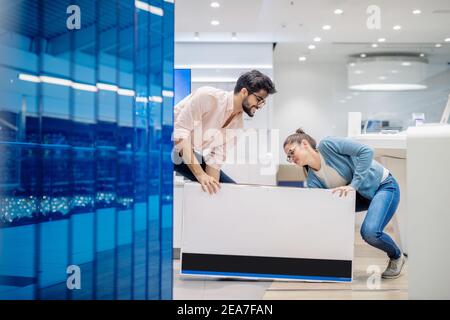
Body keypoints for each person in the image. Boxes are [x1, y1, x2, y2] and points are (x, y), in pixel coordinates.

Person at [283, 128, 406, 279]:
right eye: (288, 157)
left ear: (304, 144)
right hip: (362, 196)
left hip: (384, 186)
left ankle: (396, 256)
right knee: (329, 215)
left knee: (370, 232)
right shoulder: (312, 181)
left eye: (291, 152)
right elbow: (324, 210)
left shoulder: (328, 145)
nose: (291, 158)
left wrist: (353, 186)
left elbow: (366, 151)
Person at [173, 70, 276, 194]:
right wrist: (201, 175)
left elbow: (215, 161)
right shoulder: (208, 96)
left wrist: (213, 190)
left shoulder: (237, 127)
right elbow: (180, 134)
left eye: (262, 102)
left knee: (229, 189)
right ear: (244, 92)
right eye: (259, 99)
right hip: (164, 144)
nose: (260, 105)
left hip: (184, 150)